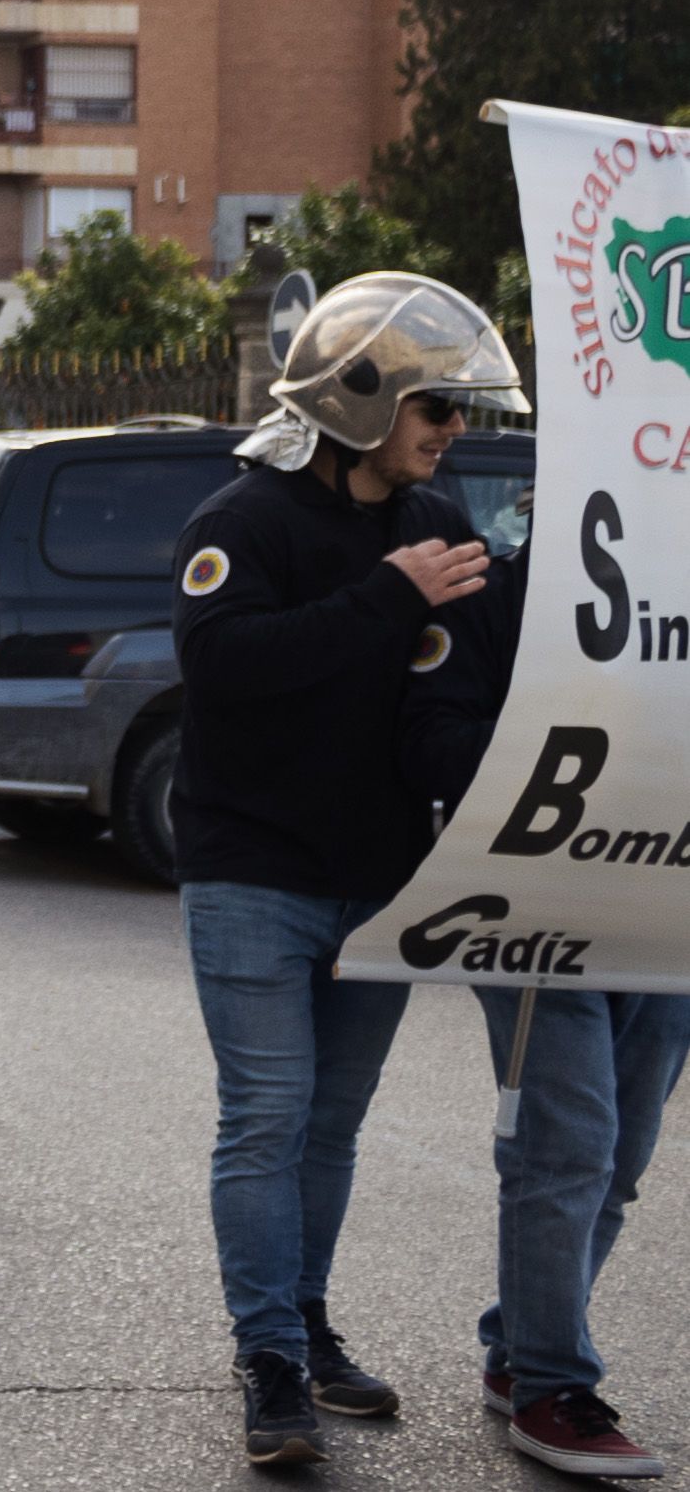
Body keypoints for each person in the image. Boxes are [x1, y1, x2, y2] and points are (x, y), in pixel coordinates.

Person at [167, 271, 521, 1466]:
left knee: (332, 1124)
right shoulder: (240, 523)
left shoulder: (436, 522)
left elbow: (487, 662)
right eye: (438, 410)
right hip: (251, 872)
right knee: (266, 1118)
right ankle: (268, 1358)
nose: (455, 433)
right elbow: (228, 668)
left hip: (382, 879)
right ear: (361, 401)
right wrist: (386, 595)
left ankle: (307, 1326)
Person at [396, 526, 690, 1479]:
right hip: (531, 913)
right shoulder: (494, 596)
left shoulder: (673, 611)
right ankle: (552, 1387)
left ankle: (519, 1342)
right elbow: (432, 745)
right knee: (569, 1147)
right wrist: (582, 752)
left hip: (661, 916)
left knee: (621, 1159)